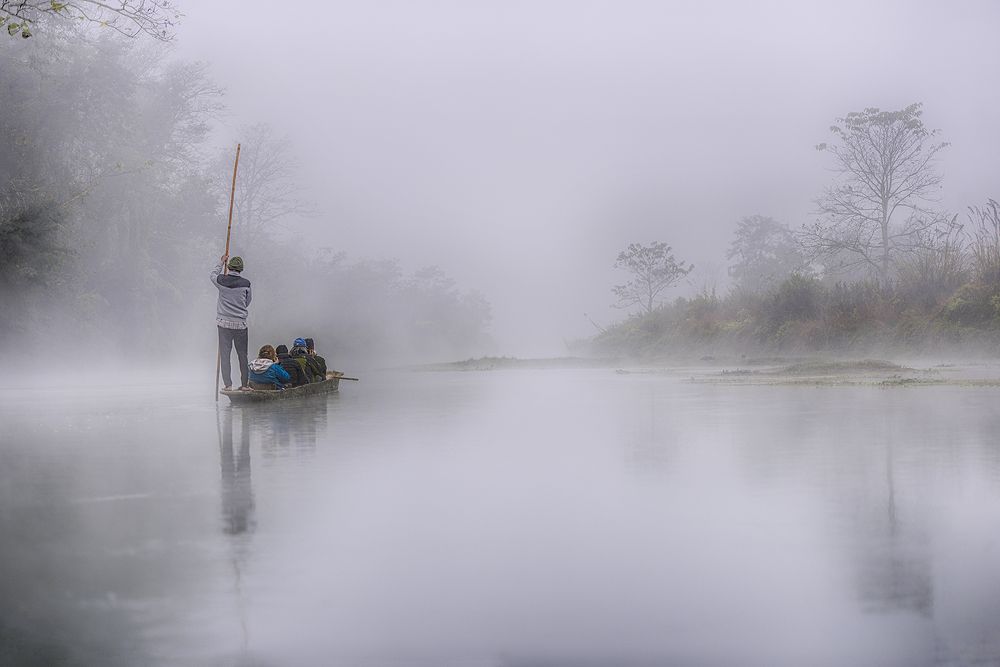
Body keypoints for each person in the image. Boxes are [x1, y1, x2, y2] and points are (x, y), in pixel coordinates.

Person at [212, 254, 252, 390]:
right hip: (240, 325)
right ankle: (245, 385)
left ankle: (228, 385)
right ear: (241, 269)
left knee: (225, 355)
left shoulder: (221, 280)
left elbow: (212, 275)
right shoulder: (246, 284)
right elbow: (247, 301)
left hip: (223, 324)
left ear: (229, 267)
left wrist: (221, 263)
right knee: (242, 355)